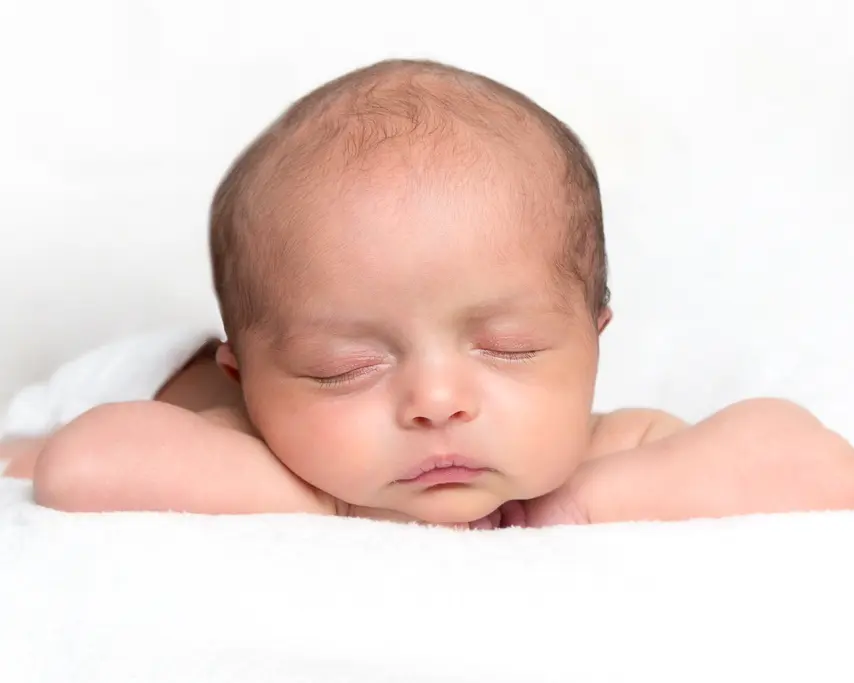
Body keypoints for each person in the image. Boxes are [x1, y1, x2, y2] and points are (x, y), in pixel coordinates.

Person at [3, 59, 853, 529]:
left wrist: (577, 505)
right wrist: (337, 501)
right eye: (341, 367)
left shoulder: (601, 448)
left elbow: (817, 462)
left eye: (509, 347)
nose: (437, 401)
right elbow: (89, 462)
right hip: (133, 389)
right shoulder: (244, 439)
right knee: (31, 453)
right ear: (246, 379)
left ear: (595, 335)